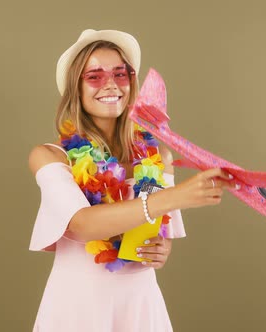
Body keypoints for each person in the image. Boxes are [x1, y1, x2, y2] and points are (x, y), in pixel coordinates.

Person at [28, 29, 235, 332]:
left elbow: (153, 226)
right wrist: (178, 196)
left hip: (139, 304)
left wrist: (159, 248)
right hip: (78, 308)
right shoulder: (50, 156)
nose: (111, 84)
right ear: (76, 88)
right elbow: (83, 223)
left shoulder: (156, 157)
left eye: (120, 74)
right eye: (94, 76)